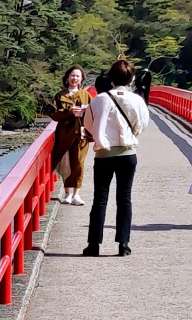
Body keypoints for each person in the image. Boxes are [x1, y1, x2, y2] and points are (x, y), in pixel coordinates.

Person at [82, 58, 151, 256]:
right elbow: (143, 123)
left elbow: (88, 123)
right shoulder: (137, 100)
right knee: (125, 198)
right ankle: (124, 244)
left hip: (104, 154)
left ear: (110, 78)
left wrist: (102, 135)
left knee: (100, 199)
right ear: (131, 79)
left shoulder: (100, 99)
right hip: (128, 153)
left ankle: (94, 245)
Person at [45, 66, 93, 205]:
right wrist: (69, 112)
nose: (74, 78)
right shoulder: (60, 95)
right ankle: (67, 192)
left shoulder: (86, 95)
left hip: (80, 134)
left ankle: (77, 194)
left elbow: (94, 113)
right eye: (72, 75)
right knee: (65, 163)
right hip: (64, 134)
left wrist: (84, 112)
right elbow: (54, 114)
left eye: (78, 76)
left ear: (81, 79)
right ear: (67, 78)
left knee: (79, 162)